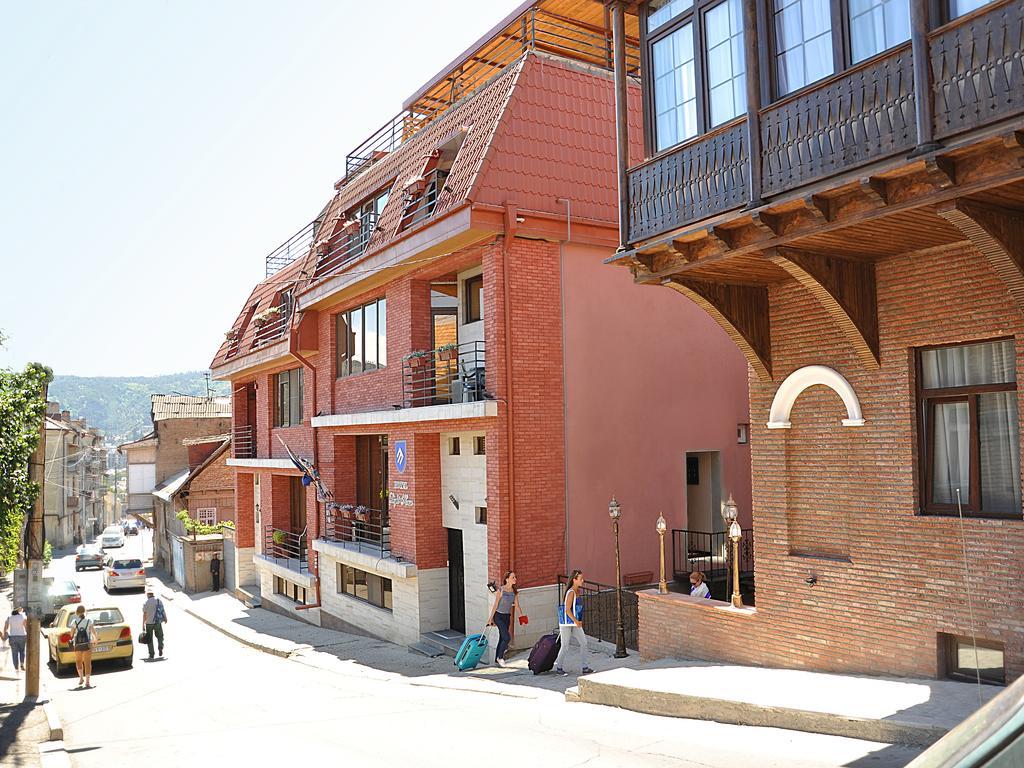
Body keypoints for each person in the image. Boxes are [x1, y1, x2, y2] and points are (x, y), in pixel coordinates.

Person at [554, 569, 592, 676]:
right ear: (574, 580)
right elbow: (567, 609)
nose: (582, 581)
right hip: (567, 623)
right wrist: (576, 621)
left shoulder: (578, 591)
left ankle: (585, 667)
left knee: (583, 642)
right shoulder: (571, 592)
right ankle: (559, 667)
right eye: (580, 579)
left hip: (575, 622)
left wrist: (577, 621)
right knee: (565, 645)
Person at [486, 571, 520, 667]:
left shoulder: (514, 591)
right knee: (507, 637)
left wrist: (522, 616)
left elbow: (517, 605)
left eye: (515, 577)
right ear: (507, 579)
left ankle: (496, 659)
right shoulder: (501, 590)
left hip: (507, 617)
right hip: (498, 616)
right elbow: (495, 605)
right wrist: (490, 619)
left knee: (502, 638)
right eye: (513, 577)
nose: (515, 579)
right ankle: (500, 657)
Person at [70, 605, 98, 689]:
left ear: (77, 612)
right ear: (84, 611)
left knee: (78, 661)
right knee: (87, 663)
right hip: (87, 644)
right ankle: (88, 682)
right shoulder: (89, 621)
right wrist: (95, 640)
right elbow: (94, 632)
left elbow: (71, 634)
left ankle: (81, 678)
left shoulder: (74, 622)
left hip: (78, 645)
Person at [142, 589, 167, 659]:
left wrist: (143, 624)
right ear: (152, 594)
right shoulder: (158, 601)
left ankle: (151, 654)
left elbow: (144, 614)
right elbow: (162, 610)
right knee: (160, 636)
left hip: (149, 623)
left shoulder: (146, 603)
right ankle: (160, 648)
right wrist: (165, 618)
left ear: (148, 595)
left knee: (149, 639)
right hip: (157, 622)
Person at [3, 607, 28, 672]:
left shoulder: (9, 617)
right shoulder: (22, 617)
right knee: (22, 651)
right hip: (22, 636)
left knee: (14, 653)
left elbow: (5, 627)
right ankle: (22, 664)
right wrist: (28, 633)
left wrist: (4, 636)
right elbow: (26, 627)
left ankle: (16, 667)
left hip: (12, 637)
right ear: (18, 613)